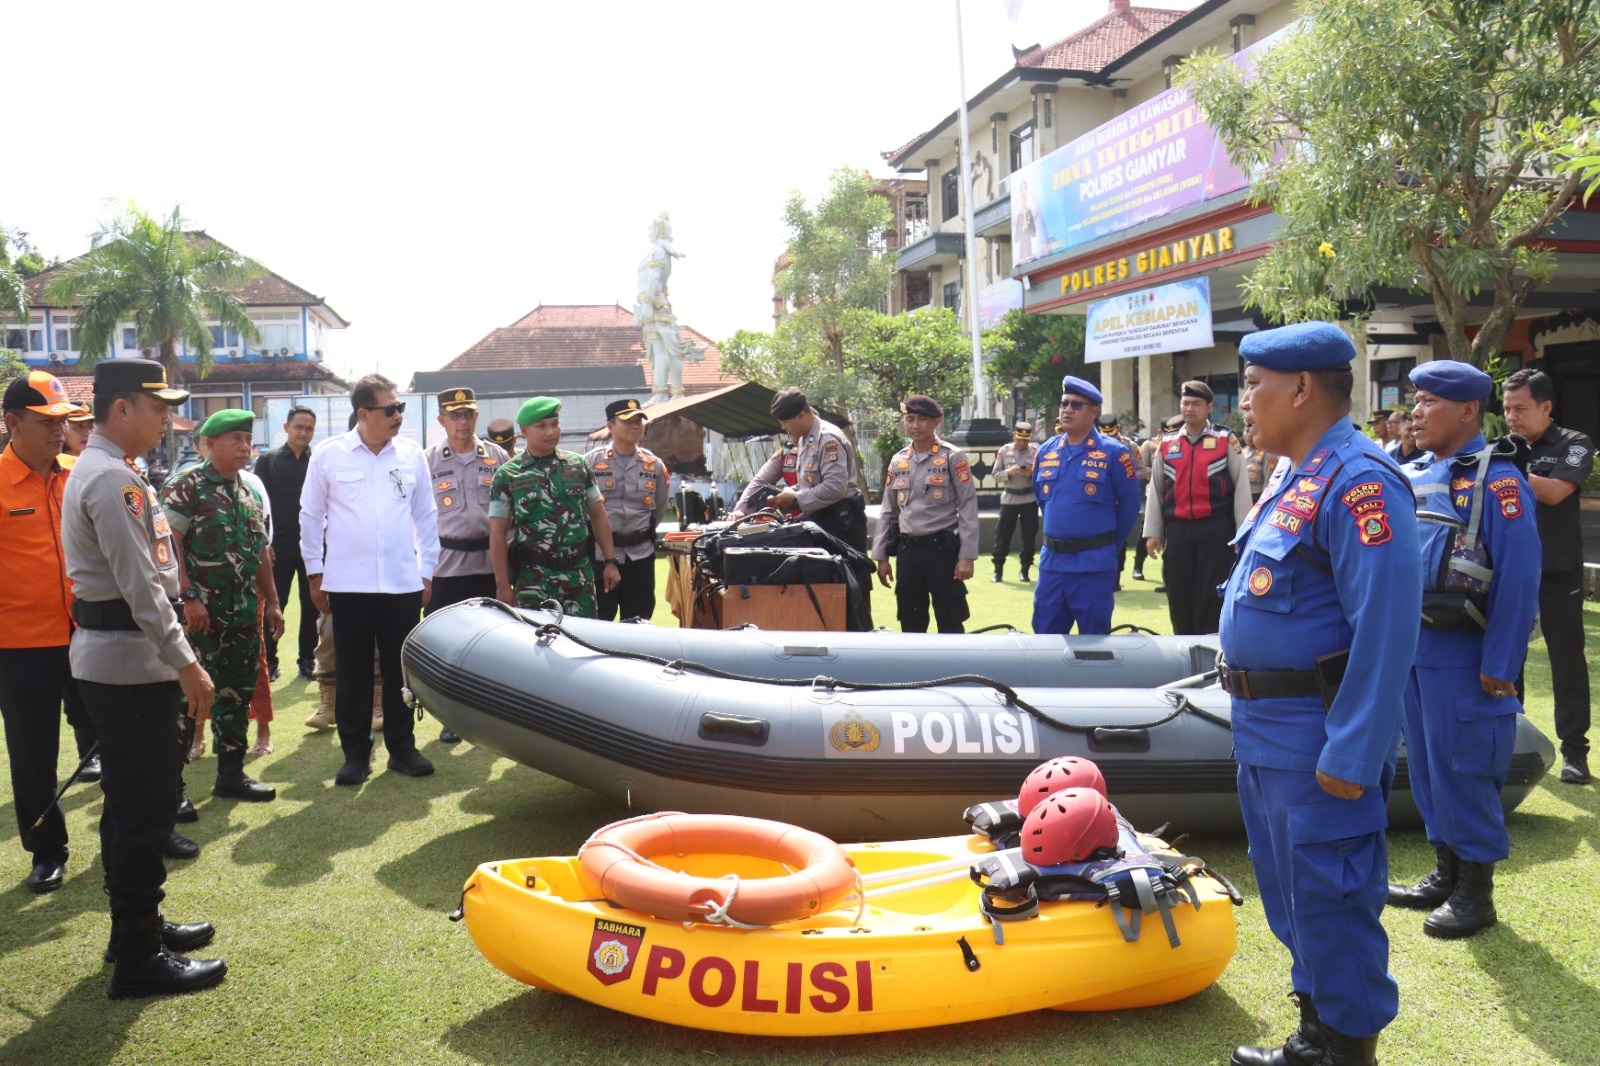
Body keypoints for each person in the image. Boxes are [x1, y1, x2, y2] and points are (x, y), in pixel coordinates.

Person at [1220, 322, 1420, 1066]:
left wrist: (1357, 748)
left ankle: (1348, 1049)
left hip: (1318, 735)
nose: (1244, 401)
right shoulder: (1296, 472)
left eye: (1253, 384)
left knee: (1334, 900)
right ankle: (1315, 1034)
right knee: (1292, 894)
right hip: (1267, 732)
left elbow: (1389, 628)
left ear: (1302, 388)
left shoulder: (1361, 479)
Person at [60, 358, 225, 999]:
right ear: (122, 408)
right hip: (132, 665)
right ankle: (137, 956)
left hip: (126, 661)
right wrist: (187, 664)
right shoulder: (109, 479)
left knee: (131, 804)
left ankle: (136, 929)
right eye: (158, 407)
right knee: (144, 810)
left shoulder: (111, 471)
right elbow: (142, 589)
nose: (167, 418)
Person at [1387, 361, 1540, 940]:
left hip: (1467, 653)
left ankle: (1477, 892)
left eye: (1428, 402)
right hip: (1416, 650)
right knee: (1426, 767)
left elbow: (1520, 576)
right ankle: (1445, 871)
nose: (1416, 413)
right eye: (1415, 401)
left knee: (1466, 767)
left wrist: (1502, 664)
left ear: (1468, 410)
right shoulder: (1415, 472)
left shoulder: (1497, 479)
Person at [299, 374, 440, 787]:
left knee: (401, 671)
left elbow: (425, 517)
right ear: (363, 414)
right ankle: (355, 755)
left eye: (400, 408)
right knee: (353, 672)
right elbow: (311, 516)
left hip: (401, 581)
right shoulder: (329, 455)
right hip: (349, 584)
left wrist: (426, 569)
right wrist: (314, 571)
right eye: (389, 409)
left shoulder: (411, 455)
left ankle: (402, 748)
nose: (398, 415)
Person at [0, 371, 99, 894]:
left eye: (64, 420)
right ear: (12, 423)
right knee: (33, 751)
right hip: (19, 645)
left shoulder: (79, 474)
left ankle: (133, 831)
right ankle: (46, 850)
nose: (59, 431)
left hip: (88, 631)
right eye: (46, 422)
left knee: (113, 732)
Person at [161, 409, 283, 803]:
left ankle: (230, 775)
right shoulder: (188, 486)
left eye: (247, 440)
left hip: (243, 615)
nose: (245, 447)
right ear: (210, 444)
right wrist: (188, 596)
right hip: (200, 618)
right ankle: (172, 788)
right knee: (186, 700)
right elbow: (167, 545)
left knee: (237, 695)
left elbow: (262, 552)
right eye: (235, 440)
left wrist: (274, 603)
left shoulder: (247, 491)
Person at [1501, 368, 1594, 784]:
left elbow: (1556, 492)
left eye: (1520, 408)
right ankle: (1507, 742)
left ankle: (1575, 753)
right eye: (1506, 409)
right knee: (1507, 658)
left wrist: (1507, 469)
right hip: (1511, 567)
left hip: (1558, 568)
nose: (1512, 417)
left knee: (1566, 659)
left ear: (1546, 407)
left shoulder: (1574, 444)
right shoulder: (1504, 447)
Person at [424, 387, 509, 741]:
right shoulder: (427, 461)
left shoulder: (499, 456)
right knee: (449, 645)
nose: (461, 421)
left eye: (467, 414)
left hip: (490, 564)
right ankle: (451, 717)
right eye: (454, 415)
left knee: (494, 643)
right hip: (447, 565)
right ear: (441, 420)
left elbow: (511, 511)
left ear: (476, 416)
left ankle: (493, 713)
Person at [489, 396, 620, 615]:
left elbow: (598, 515)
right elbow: (497, 532)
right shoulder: (507, 475)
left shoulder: (578, 465)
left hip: (578, 574)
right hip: (534, 578)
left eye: (555, 424)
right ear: (524, 431)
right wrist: (502, 583)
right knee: (536, 641)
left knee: (584, 640)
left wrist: (610, 561)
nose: (550, 432)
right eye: (541, 426)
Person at [1032, 379, 1141, 635]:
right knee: (1044, 641)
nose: (1067, 410)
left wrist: (1106, 546)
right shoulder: (1046, 451)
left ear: (1094, 411)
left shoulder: (1114, 453)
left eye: (1076, 405)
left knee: (1094, 646)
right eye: (1064, 404)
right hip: (1052, 564)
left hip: (1093, 564)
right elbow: (1042, 498)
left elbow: (1129, 505)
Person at [1143, 381, 1251, 634]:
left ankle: (1210, 646)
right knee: (1177, 590)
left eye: (1196, 404)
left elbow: (1242, 489)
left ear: (1209, 408)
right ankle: (1182, 643)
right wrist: (1152, 533)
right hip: (1178, 530)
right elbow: (1157, 489)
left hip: (1216, 530)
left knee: (1211, 593)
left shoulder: (1225, 439)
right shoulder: (1167, 443)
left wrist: (1242, 533)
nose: (1190, 409)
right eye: (1185, 403)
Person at [870, 395, 979, 633]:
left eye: (921, 419)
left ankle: (955, 670)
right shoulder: (898, 460)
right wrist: (881, 556)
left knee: (950, 619)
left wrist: (967, 556)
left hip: (943, 552)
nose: (915, 425)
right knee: (910, 621)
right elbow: (888, 510)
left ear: (936, 422)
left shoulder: (953, 457)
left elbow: (968, 506)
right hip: (908, 553)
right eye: (910, 419)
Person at [730, 387, 867, 553]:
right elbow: (807, 483)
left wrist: (795, 498)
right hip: (820, 522)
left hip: (841, 525)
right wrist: (784, 494)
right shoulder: (804, 439)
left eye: (785, 422)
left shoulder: (828, 439)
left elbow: (835, 487)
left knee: (846, 578)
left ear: (801, 414)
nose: (783, 427)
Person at [586, 398, 669, 621]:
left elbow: (660, 507)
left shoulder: (654, 464)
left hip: (640, 556)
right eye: (627, 421)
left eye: (638, 421)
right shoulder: (591, 463)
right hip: (600, 556)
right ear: (610, 426)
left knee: (639, 622)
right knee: (599, 622)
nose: (635, 426)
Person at [254, 404, 318, 682]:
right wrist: (264, 543)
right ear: (286, 428)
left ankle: (307, 661)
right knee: (274, 604)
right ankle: (271, 661)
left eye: (309, 428)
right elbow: (256, 505)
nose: (303, 432)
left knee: (312, 606)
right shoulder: (267, 461)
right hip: (276, 549)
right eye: (298, 427)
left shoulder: (319, 461)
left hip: (312, 549)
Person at [989, 421, 1040, 583]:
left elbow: (1043, 476)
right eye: (1019, 439)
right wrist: (1009, 473)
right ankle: (998, 569)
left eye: (1026, 440)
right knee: (1002, 535)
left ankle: (1025, 569)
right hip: (1009, 499)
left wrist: (1031, 474)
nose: (1022, 443)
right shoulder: (1004, 451)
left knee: (1029, 536)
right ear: (1014, 436)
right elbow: (995, 474)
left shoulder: (1036, 452)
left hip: (1029, 499)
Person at [1240, 422, 1280, 503]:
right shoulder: (1241, 452)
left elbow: (1269, 482)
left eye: (1250, 431)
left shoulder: (1268, 454)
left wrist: (1262, 503)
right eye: (1246, 431)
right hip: (1242, 498)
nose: (1248, 434)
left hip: (1256, 498)